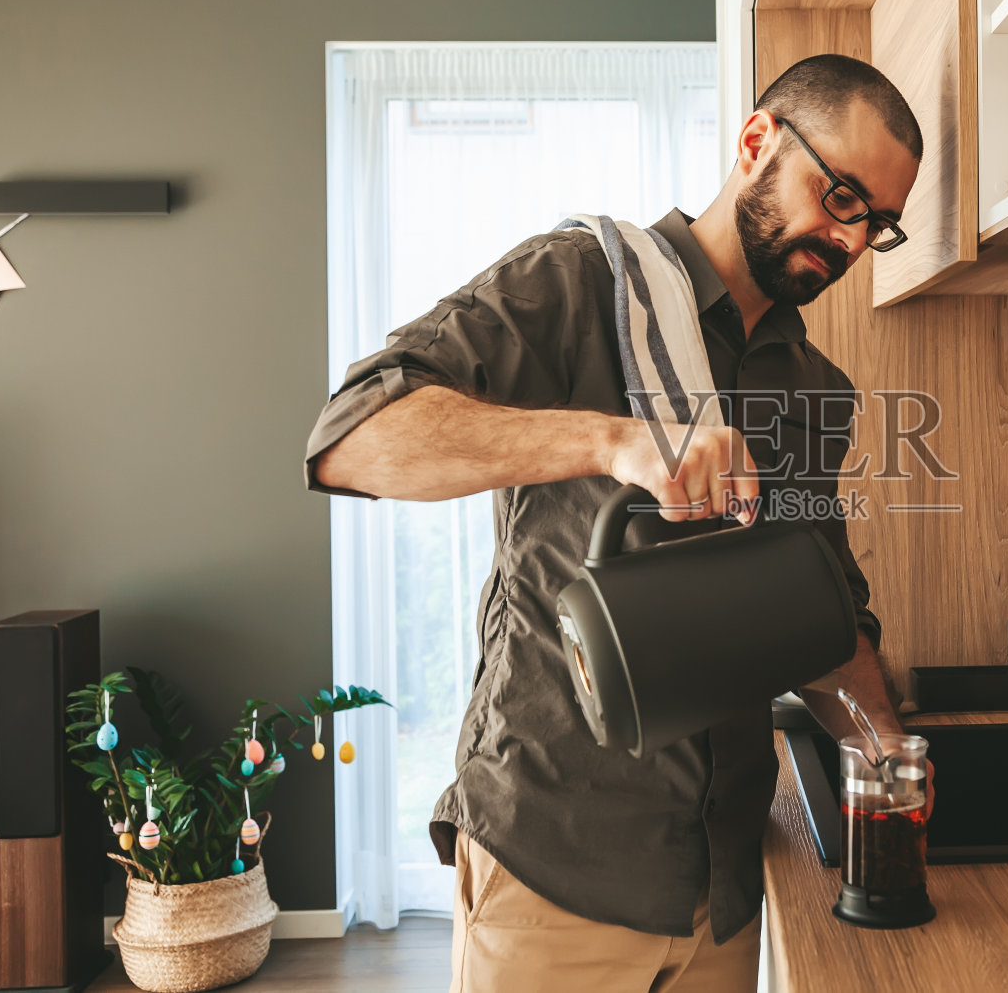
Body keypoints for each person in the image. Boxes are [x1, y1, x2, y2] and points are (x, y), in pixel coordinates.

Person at [303, 54, 925, 992]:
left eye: (875, 223)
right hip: (554, 871)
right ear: (757, 140)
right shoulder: (581, 285)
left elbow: (822, 613)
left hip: (724, 890)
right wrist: (614, 441)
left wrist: (892, 759)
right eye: (838, 195)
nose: (846, 239)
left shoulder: (814, 391)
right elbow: (353, 438)